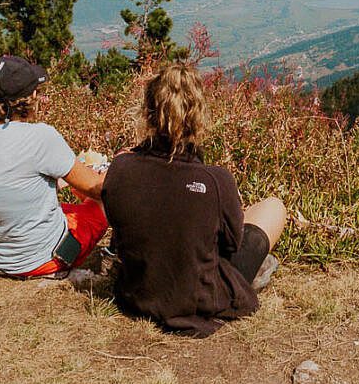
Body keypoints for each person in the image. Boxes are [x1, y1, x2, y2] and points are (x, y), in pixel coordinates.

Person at [101, 63, 287, 337]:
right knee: (273, 207)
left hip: (136, 294)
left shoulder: (120, 169)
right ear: (199, 115)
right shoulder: (215, 179)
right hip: (200, 298)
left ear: (148, 112)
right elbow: (232, 244)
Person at [0, 55, 108, 278]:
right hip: (41, 259)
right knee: (100, 203)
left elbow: (11, 185)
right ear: (30, 98)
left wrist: (61, 180)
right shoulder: (41, 136)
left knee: (67, 204)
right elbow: (96, 188)